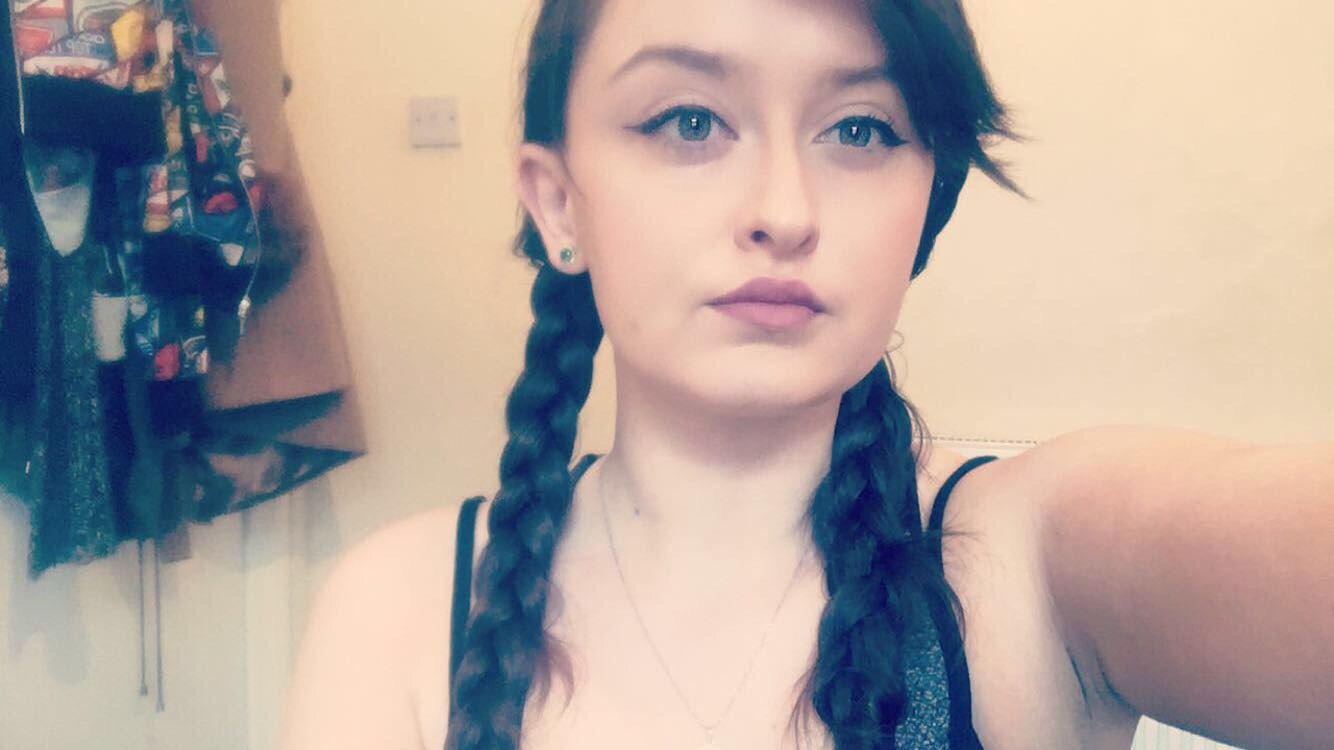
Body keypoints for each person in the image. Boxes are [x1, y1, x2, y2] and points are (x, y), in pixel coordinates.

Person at [278, 1, 1334, 748]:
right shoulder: (402, 608)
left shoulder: (1022, 565)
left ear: (926, 200)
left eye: (860, 130)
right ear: (557, 203)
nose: (783, 210)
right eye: (689, 121)